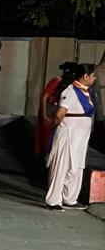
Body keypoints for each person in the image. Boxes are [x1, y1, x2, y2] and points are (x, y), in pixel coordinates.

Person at [45, 62, 97, 210]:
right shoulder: (70, 91)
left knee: (77, 166)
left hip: (81, 136)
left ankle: (70, 198)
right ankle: (53, 200)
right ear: (85, 76)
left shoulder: (89, 93)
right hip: (68, 133)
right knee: (61, 166)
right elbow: (60, 114)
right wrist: (52, 126)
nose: (95, 78)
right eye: (93, 76)